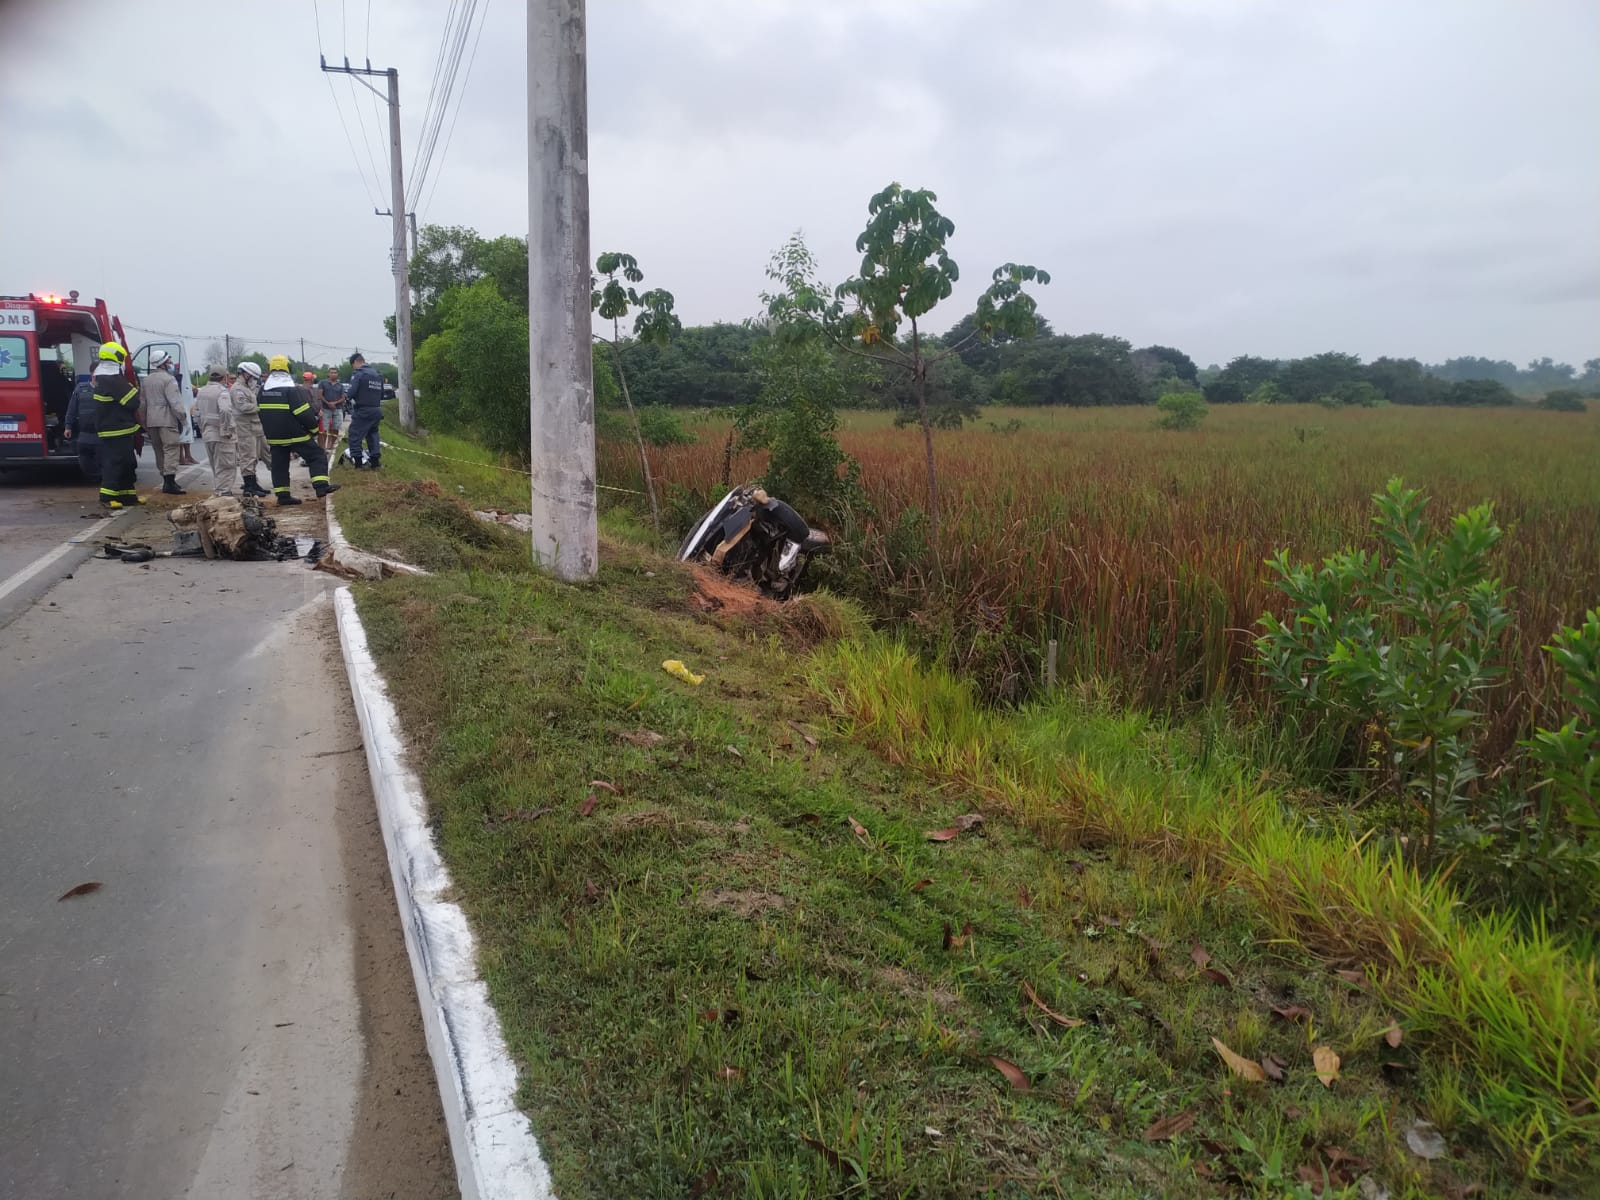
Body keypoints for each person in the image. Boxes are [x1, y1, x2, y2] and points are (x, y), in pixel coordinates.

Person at [257, 354, 338, 506]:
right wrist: (314, 429)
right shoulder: (291, 390)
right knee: (317, 455)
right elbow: (304, 413)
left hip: (274, 436)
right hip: (295, 435)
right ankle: (321, 487)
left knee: (279, 465)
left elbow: (260, 413)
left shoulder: (263, 391)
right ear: (288, 369)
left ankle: (283, 496)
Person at [93, 342, 144, 509]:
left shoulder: (105, 378)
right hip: (115, 430)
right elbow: (132, 402)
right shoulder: (112, 380)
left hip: (119, 430)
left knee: (127, 463)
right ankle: (107, 497)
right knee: (114, 464)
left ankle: (127, 496)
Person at [140, 350, 186, 494]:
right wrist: (183, 418)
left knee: (158, 450)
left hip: (151, 420)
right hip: (167, 419)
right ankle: (170, 482)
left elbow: (142, 404)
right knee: (171, 449)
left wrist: (144, 422)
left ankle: (166, 479)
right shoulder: (169, 379)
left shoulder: (146, 380)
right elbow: (175, 402)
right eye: (169, 361)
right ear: (163, 364)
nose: (171, 364)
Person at [193, 366, 238, 496]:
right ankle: (223, 493)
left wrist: (202, 428)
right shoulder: (222, 392)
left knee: (215, 466)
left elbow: (196, 413)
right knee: (226, 466)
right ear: (224, 377)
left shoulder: (202, 391)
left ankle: (219, 490)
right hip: (221, 435)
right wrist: (227, 429)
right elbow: (225, 410)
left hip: (207, 433)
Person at [230, 361, 270, 497]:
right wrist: (260, 408)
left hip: (254, 427)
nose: (253, 380)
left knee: (254, 457)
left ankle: (254, 484)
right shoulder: (237, 389)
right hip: (244, 428)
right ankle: (249, 486)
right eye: (252, 376)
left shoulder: (247, 388)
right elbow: (243, 407)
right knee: (247, 457)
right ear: (245, 374)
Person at [343, 351, 383, 469]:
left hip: (363, 410)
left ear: (356, 362)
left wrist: (348, 398)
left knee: (354, 434)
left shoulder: (359, 373)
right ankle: (375, 462)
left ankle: (359, 464)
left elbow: (351, 392)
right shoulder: (377, 374)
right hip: (376, 410)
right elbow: (381, 395)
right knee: (373, 434)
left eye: (352, 366)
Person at [62, 366, 100, 486]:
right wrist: (68, 426)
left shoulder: (106, 389)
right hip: (84, 431)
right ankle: (93, 477)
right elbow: (72, 408)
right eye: (96, 372)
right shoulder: (80, 388)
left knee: (102, 458)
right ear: (91, 373)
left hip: (102, 431)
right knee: (84, 460)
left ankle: (101, 480)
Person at [316, 366, 345, 454]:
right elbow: (320, 395)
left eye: (335, 372)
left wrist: (334, 403)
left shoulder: (340, 385)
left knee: (336, 428)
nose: (333, 374)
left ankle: (330, 445)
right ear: (328, 374)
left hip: (337, 408)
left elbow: (343, 398)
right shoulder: (323, 383)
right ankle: (322, 447)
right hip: (326, 408)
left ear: (337, 374)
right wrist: (328, 403)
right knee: (324, 428)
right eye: (331, 372)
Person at [176, 362, 198, 467]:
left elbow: (194, 390)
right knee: (181, 435)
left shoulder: (184, 381)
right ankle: (181, 457)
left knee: (187, 435)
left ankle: (188, 455)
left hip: (188, 412)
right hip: (179, 412)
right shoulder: (174, 381)